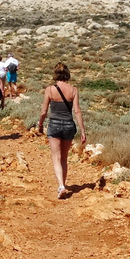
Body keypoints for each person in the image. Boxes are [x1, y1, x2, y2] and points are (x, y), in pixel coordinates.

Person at [37, 62, 87, 199]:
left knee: (56, 157)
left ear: (55, 74)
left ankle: (61, 186)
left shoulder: (50, 90)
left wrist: (40, 124)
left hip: (54, 124)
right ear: (67, 74)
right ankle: (62, 184)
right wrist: (82, 130)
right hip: (69, 125)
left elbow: (43, 111)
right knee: (64, 158)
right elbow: (77, 111)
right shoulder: (74, 90)